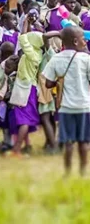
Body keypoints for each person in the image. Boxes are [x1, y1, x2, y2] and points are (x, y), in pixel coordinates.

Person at [43, 26, 90, 176]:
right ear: (76, 41)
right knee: (83, 142)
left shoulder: (56, 58)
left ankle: (68, 173)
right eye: (84, 39)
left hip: (65, 108)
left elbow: (48, 83)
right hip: (84, 106)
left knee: (68, 143)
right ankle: (83, 172)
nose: (86, 41)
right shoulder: (86, 59)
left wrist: (60, 81)